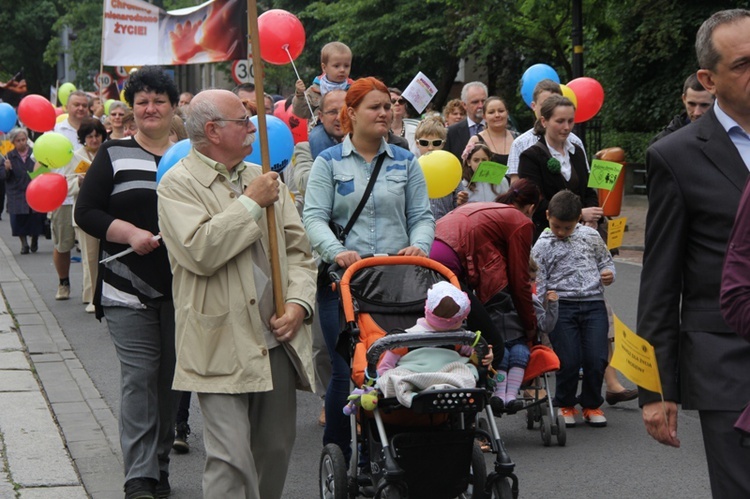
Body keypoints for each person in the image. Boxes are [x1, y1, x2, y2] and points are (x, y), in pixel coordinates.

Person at [157, 88, 316, 499]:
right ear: (212, 130)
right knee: (229, 460)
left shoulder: (261, 177)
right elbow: (200, 250)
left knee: (275, 450)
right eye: (242, 121)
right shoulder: (178, 184)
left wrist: (299, 304)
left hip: (275, 339)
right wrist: (249, 204)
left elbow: (298, 251)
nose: (252, 127)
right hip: (219, 342)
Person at [638, 9, 750, 497]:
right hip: (727, 359)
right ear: (709, 78)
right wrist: (657, 389)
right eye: (744, 64)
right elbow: (660, 279)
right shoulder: (677, 156)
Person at [303, 76, 434, 460]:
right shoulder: (328, 163)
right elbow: (313, 218)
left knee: (399, 364)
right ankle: (340, 455)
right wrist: (336, 250)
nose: (384, 112)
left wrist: (420, 245)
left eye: (387, 106)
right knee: (348, 369)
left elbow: (422, 216)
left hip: (399, 284)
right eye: (374, 107)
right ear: (352, 113)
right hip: (344, 284)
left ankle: (394, 447)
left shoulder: (407, 162)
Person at [74, 66, 179, 499]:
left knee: (171, 380)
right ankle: (139, 476)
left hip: (184, 288)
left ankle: (160, 463)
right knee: (139, 378)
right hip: (126, 287)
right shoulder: (114, 153)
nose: (150, 108)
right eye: (142, 102)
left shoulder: (193, 154)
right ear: (132, 110)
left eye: (158, 100)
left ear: (173, 107)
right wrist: (129, 233)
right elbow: (87, 212)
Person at [431, 179, 541, 411]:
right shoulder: (521, 221)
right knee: (491, 346)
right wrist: (530, 327)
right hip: (448, 268)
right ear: (531, 208)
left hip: (429, 256)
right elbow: (521, 280)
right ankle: (477, 409)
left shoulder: (487, 207)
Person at [289, 88, 347, 427]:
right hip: (322, 258)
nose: (338, 118)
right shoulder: (304, 149)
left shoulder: (376, 149)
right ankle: (330, 395)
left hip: (365, 257)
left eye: (345, 110)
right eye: (331, 112)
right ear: (320, 117)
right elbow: (311, 185)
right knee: (324, 341)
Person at [532, 190, 615, 427]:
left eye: (567, 228)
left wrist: (609, 274)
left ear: (579, 218)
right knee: (568, 358)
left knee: (596, 357)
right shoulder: (542, 245)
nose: (561, 232)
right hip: (562, 305)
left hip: (593, 301)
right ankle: (566, 403)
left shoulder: (591, 235)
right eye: (556, 226)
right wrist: (540, 310)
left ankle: (591, 404)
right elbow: (539, 278)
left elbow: (605, 261)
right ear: (547, 215)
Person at [517, 95, 601, 241]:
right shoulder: (530, 157)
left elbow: (588, 190)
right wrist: (578, 213)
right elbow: (534, 203)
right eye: (560, 121)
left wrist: (592, 217)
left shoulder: (577, 152)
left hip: (580, 235)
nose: (567, 127)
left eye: (570, 121)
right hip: (548, 237)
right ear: (544, 121)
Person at [376, 281, 492, 375]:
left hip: (436, 381)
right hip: (419, 377)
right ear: (453, 323)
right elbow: (384, 371)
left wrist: (485, 355)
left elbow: (384, 368)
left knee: (465, 371)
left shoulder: (403, 340)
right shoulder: (457, 339)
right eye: (462, 319)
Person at [61, 118, 106, 313]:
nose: (94, 139)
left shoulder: (108, 152)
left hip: (106, 212)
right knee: (89, 257)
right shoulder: (75, 156)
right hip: (84, 213)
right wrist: (79, 183)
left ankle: (102, 294)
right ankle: (92, 296)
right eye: (90, 136)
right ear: (83, 138)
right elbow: (66, 185)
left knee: (104, 256)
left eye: (97, 135)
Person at [50, 90, 91, 300]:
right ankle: (63, 282)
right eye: (77, 104)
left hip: (91, 196)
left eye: (84, 105)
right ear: (67, 107)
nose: (81, 108)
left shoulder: (93, 129)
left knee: (89, 245)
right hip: (64, 195)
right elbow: (42, 162)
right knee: (63, 243)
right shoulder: (56, 130)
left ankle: (90, 288)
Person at [507, 79, 586, 184]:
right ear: (534, 106)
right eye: (546, 104)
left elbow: (585, 182)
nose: (550, 109)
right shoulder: (520, 143)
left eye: (555, 103)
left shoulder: (575, 143)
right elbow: (516, 185)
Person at [2, 128, 45, 254]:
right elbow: (3, 176)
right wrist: (7, 169)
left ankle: (35, 239)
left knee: (36, 217)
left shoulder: (35, 154)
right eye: (18, 140)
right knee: (18, 218)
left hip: (34, 189)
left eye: (23, 139)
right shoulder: (8, 156)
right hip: (17, 191)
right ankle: (24, 243)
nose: (22, 142)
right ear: (13, 142)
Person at [293, 41, 353, 121]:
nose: (342, 70)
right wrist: (300, 95)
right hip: (320, 130)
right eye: (336, 66)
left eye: (346, 66)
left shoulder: (353, 90)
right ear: (324, 68)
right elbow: (301, 112)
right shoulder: (315, 90)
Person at [414, 117, 457, 220]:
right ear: (417, 143)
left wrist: (461, 200)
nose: (430, 147)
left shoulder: (450, 168)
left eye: (436, 143)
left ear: (443, 144)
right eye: (424, 143)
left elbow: (457, 200)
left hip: (446, 225)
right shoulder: (410, 170)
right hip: (418, 227)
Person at [652, 73, 714, 143]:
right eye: (692, 104)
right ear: (684, 99)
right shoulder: (663, 141)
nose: (697, 112)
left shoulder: (726, 135)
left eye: (704, 105)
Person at [466, 96, 517, 165]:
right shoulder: (476, 140)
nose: (497, 115)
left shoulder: (518, 138)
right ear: (484, 117)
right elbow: (467, 170)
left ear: (507, 113)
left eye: (501, 111)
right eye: (491, 112)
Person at [444, 81, 488, 160]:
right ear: (464, 105)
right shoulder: (451, 133)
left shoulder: (497, 130)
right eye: (475, 102)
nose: (481, 106)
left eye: (483, 101)